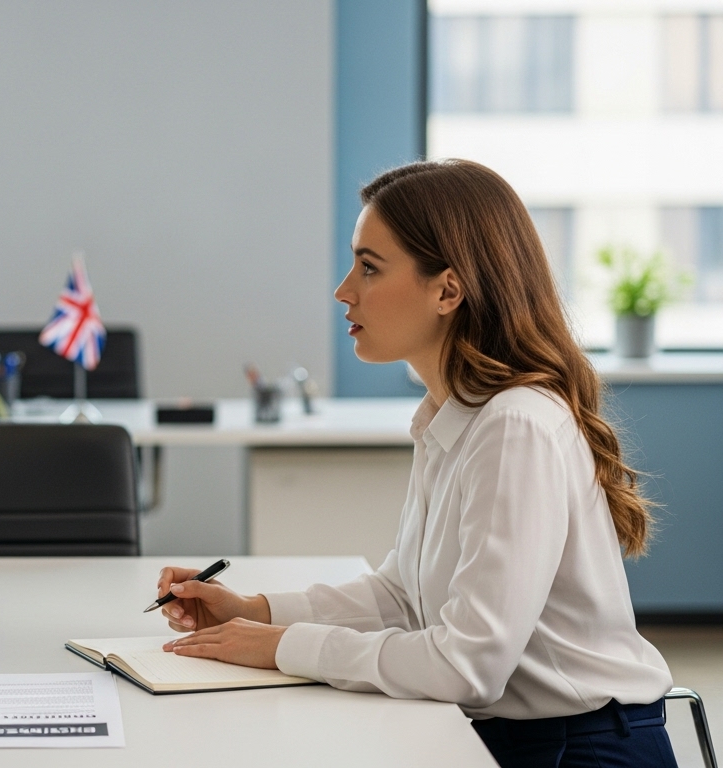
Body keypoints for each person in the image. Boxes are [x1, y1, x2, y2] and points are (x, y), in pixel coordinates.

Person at [156, 160, 676, 767]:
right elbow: (402, 598)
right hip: (512, 738)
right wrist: (255, 612)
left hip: (575, 751)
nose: (344, 290)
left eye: (369, 267)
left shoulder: (515, 424)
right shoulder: (452, 415)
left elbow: (467, 666)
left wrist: (280, 646)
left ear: (447, 290)